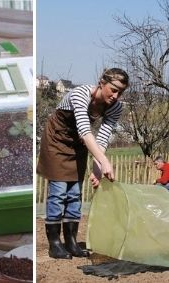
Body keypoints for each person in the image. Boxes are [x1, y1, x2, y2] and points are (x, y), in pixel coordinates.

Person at [37, 68, 127, 259]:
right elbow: (86, 130)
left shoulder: (116, 108)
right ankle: (54, 244)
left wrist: (97, 169)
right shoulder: (80, 94)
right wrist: (104, 162)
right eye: (113, 89)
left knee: (75, 193)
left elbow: (101, 139)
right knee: (59, 191)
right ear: (102, 82)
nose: (116, 96)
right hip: (56, 140)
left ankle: (71, 242)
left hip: (78, 143)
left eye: (121, 92)